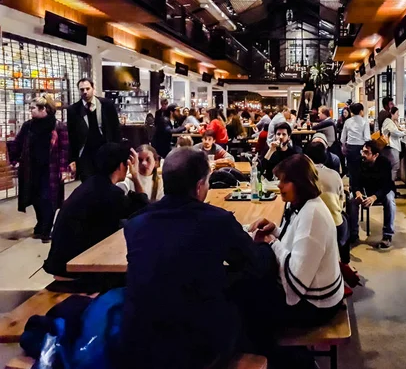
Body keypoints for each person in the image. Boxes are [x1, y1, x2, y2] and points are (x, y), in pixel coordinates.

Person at [120, 148, 275, 369]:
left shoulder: (136, 223)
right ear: (199, 186)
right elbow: (254, 263)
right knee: (249, 291)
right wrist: (266, 245)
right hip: (198, 348)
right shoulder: (217, 221)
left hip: (138, 343)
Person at [248, 154, 344, 328]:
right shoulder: (302, 205)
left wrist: (272, 242)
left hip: (317, 305)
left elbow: (297, 281)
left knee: (247, 306)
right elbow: (298, 242)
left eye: (284, 181)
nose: (279, 185)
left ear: (300, 183)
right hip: (318, 294)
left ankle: (279, 354)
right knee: (250, 287)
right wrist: (275, 231)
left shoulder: (312, 215)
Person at [44, 143, 149, 279]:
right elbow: (144, 210)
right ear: (123, 165)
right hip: (74, 270)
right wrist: (135, 176)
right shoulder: (109, 192)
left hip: (61, 263)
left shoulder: (92, 185)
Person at [9, 95, 69, 242]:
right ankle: (41, 224)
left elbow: (64, 149)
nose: (31, 111)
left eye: (33, 108)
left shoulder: (58, 127)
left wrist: (64, 169)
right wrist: (14, 160)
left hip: (51, 169)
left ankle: (46, 229)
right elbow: (17, 142)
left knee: (49, 199)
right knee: (36, 198)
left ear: (45, 109)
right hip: (31, 168)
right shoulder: (28, 126)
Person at [67, 77, 121, 181]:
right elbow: (72, 136)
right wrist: (72, 159)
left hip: (104, 150)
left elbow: (115, 129)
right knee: (88, 184)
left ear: (93, 88)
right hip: (85, 154)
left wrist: (117, 151)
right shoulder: (73, 110)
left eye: (87, 89)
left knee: (105, 181)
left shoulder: (106, 105)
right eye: (82, 90)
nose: (85, 92)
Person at [303, 142, 349, 264]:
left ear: (306, 157)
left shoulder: (303, 175)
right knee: (345, 220)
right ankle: (345, 263)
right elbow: (341, 201)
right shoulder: (335, 175)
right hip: (335, 223)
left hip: (310, 224)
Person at [348, 140, 396, 249]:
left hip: (383, 191)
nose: (363, 155)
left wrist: (374, 197)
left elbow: (386, 186)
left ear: (375, 155)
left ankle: (387, 235)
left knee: (389, 201)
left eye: (366, 153)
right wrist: (358, 192)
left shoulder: (385, 163)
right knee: (352, 199)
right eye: (362, 152)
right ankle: (353, 234)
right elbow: (354, 181)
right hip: (364, 190)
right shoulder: (358, 162)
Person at [340, 103, 371, 193]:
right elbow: (367, 138)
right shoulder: (364, 121)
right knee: (361, 170)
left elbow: (342, 139)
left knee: (352, 171)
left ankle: (352, 190)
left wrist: (344, 147)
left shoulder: (347, 121)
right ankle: (360, 191)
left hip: (350, 148)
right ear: (361, 111)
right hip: (361, 149)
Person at [380, 107, 406, 181]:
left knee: (392, 167)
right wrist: (405, 132)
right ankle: (390, 186)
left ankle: (390, 186)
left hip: (391, 147)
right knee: (395, 166)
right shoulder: (388, 122)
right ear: (392, 114)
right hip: (391, 147)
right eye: (397, 114)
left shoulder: (392, 122)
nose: (398, 115)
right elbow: (395, 133)